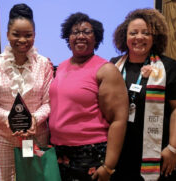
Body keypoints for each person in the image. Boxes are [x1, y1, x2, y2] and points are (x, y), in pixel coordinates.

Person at [109, 8, 176, 181]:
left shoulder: (169, 67)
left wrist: (173, 148)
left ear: (154, 38)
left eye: (146, 33)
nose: (139, 37)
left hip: (159, 148)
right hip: (124, 148)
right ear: (124, 37)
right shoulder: (113, 66)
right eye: (133, 33)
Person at [49, 12, 129, 181]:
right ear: (67, 38)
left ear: (96, 37)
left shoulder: (106, 70)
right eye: (75, 32)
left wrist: (109, 166)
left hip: (90, 153)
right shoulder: (62, 66)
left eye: (86, 31)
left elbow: (118, 120)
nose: (80, 36)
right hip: (59, 151)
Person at [0, 3, 54, 181]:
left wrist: (33, 120)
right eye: (16, 34)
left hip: (36, 134)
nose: (23, 40)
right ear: (8, 34)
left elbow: (48, 103)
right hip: (3, 136)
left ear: (35, 35)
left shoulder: (44, 63)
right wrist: (10, 120)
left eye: (28, 35)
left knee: (33, 177)